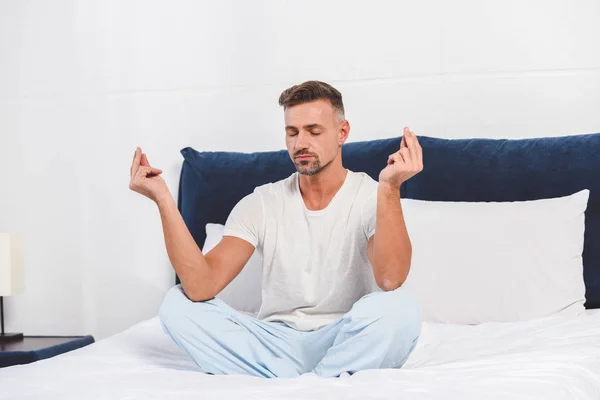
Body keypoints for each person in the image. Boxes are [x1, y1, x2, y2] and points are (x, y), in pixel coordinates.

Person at [129, 80, 424, 378]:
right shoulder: (262, 202)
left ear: (342, 133)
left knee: (402, 307)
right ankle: (325, 381)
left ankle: (299, 382)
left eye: (314, 131)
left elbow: (390, 278)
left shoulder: (370, 196)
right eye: (292, 132)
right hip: (273, 343)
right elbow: (201, 287)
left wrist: (390, 188)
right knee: (176, 306)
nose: (300, 143)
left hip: (345, 337)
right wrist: (164, 200)